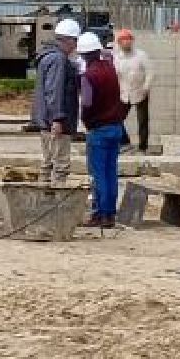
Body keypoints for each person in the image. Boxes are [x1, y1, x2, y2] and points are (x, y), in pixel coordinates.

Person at [76, 31, 130, 228]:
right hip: (115, 128)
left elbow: (87, 105)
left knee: (98, 174)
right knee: (110, 173)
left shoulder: (89, 76)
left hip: (98, 130)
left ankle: (100, 214)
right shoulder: (110, 69)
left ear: (83, 55)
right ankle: (110, 214)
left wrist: (86, 122)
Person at [31, 19, 82, 183]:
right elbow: (55, 91)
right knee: (60, 166)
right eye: (75, 41)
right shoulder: (59, 60)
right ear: (68, 40)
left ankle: (43, 200)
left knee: (47, 163)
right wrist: (58, 119)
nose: (75, 46)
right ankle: (56, 202)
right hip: (56, 122)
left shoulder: (48, 57)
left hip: (46, 120)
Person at [116, 29, 153, 155]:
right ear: (119, 43)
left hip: (140, 91)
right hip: (124, 93)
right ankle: (125, 143)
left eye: (128, 40)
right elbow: (116, 75)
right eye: (123, 40)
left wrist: (146, 87)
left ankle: (143, 148)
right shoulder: (117, 58)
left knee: (142, 121)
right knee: (116, 119)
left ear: (132, 41)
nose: (126, 43)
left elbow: (150, 72)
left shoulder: (141, 55)